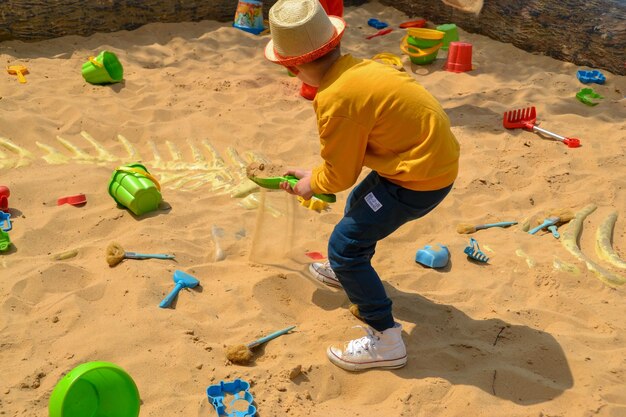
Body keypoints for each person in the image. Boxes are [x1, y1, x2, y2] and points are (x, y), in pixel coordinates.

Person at [264, 0, 460, 371]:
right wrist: (316, 175)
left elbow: (338, 176)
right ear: (335, 42)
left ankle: (385, 339)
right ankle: (345, 273)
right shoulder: (360, 69)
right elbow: (348, 165)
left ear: (293, 66)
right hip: (427, 161)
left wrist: (310, 184)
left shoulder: (335, 99)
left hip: (418, 179)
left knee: (345, 247)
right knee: (361, 200)